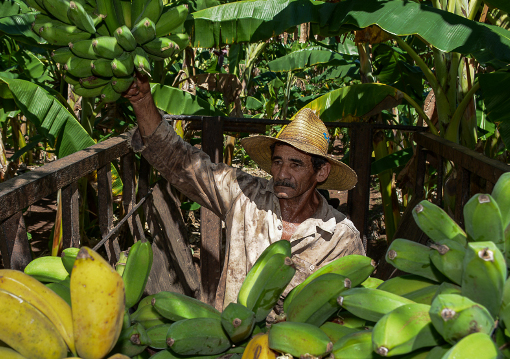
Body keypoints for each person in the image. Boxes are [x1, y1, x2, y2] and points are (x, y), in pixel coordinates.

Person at [124, 74, 365, 311]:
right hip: (229, 341)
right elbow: (180, 162)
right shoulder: (245, 195)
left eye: (296, 164)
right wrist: (143, 101)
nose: (282, 173)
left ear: (321, 172)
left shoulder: (340, 239)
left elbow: (352, 307)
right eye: (278, 161)